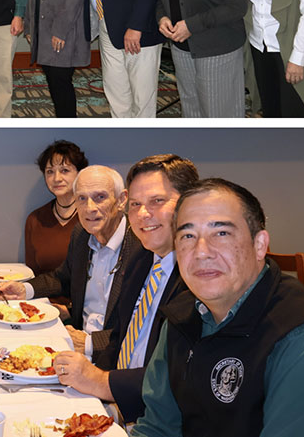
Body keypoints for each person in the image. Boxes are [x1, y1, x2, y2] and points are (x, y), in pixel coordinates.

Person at [131, 178, 304, 437]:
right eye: (188, 236)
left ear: (259, 245)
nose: (201, 252)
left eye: (221, 233)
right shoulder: (180, 317)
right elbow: (156, 428)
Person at [53, 154, 198, 424]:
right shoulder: (142, 259)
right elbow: (119, 338)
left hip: (161, 419)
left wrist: (102, 383)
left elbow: (179, 374)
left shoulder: (198, 277)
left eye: (157, 201)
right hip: (118, 404)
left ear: (189, 203)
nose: (143, 214)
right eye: (136, 204)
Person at [0, 165, 150, 365]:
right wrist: (24, 290)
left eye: (100, 197)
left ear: (121, 200)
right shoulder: (81, 234)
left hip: (115, 358)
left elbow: (142, 325)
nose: (89, 208)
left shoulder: (142, 247)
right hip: (75, 343)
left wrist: (90, 343)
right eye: (82, 198)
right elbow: (63, 278)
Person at [24, 140, 89, 279]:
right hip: (43, 298)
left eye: (64, 170)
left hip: (83, 300)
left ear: (79, 174)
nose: (56, 178)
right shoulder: (35, 220)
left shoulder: (91, 216)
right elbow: (32, 274)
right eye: (50, 172)